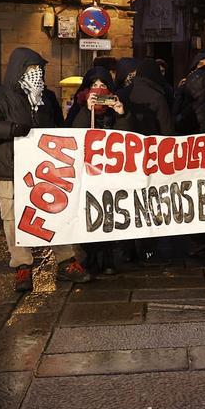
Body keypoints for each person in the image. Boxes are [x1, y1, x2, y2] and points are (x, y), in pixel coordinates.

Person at [0, 47, 88, 292]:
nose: (37, 74)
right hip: (10, 170)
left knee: (55, 213)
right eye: (32, 69)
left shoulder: (47, 98)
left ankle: (66, 260)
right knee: (13, 219)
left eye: (40, 70)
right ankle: (22, 265)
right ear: (19, 70)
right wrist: (8, 129)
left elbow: (59, 127)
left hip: (45, 171)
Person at [67, 67, 127, 275]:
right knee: (88, 212)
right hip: (86, 173)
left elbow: (128, 137)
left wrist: (121, 114)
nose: (99, 90)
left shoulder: (113, 109)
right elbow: (72, 134)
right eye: (95, 86)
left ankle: (108, 256)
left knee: (109, 210)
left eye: (103, 86)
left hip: (110, 172)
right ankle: (90, 256)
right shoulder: (79, 107)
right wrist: (87, 111)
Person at [174, 52, 205, 134]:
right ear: (195, 67)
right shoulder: (186, 87)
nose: (204, 67)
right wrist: (180, 91)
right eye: (201, 64)